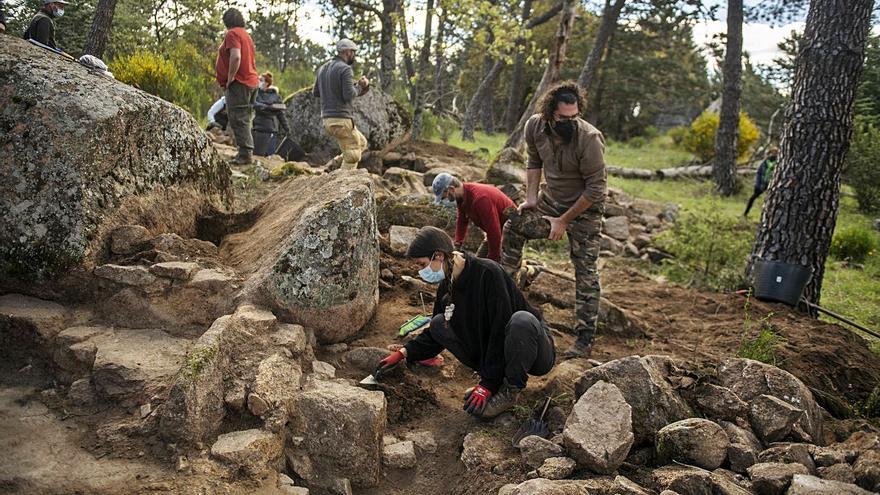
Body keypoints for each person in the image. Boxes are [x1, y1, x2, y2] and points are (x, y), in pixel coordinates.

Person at [376, 227, 556, 418]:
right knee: (439, 322)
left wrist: (488, 385)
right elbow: (436, 334)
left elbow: (499, 330)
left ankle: (510, 390)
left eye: (422, 265)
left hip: (533, 351)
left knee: (521, 320)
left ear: (438, 256)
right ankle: (495, 379)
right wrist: (405, 352)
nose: (421, 272)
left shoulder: (488, 273)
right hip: (500, 353)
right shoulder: (447, 286)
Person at [500, 81, 606, 360]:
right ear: (550, 113)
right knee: (513, 227)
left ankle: (584, 338)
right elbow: (533, 162)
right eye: (563, 118)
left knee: (586, 271)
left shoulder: (589, 139)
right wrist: (532, 198)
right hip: (551, 198)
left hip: (585, 209)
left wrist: (563, 221)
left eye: (574, 117)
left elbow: (596, 189)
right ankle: (503, 302)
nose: (569, 123)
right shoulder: (535, 126)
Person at [313, 39, 370, 170]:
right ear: (347, 52)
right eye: (353, 52)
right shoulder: (345, 69)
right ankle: (341, 186)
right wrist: (361, 86)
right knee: (353, 155)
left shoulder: (322, 68)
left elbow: (316, 92)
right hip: (342, 120)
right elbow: (349, 95)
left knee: (361, 143)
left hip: (327, 120)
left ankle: (333, 166)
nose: (354, 55)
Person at [432, 173, 515, 262]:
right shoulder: (462, 196)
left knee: (502, 269)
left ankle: (525, 270)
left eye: (445, 197)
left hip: (512, 230)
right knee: (478, 264)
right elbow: (462, 221)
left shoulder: (480, 199)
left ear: (452, 189)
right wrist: (457, 244)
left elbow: (494, 231)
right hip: (496, 231)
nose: (447, 200)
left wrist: (493, 260)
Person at [215, 8, 259, 165]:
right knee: (245, 118)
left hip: (240, 82)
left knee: (238, 118)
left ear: (227, 21)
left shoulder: (232, 34)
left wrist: (230, 77)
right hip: (251, 81)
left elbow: (236, 56)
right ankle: (246, 151)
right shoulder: (246, 35)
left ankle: (245, 155)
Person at [252, 72, 292, 157]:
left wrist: (287, 129)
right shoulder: (256, 93)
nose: (259, 82)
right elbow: (254, 104)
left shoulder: (276, 96)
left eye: (261, 80)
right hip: (258, 129)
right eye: (258, 80)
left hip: (271, 130)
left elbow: (280, 112)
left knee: (269, 156)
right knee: (257, 155)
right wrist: (269, 107)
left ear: (267, 83)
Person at [743, 147, 778, 217]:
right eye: (772, 153)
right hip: (762, 184)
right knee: (752, 198)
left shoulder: (779, 163)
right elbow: (759, 174)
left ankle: (769, 215)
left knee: (771, 200)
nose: (773, 155)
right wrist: (757, 184)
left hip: (773, 184)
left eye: (775, 153)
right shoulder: (764, 163)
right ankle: (745, 213)